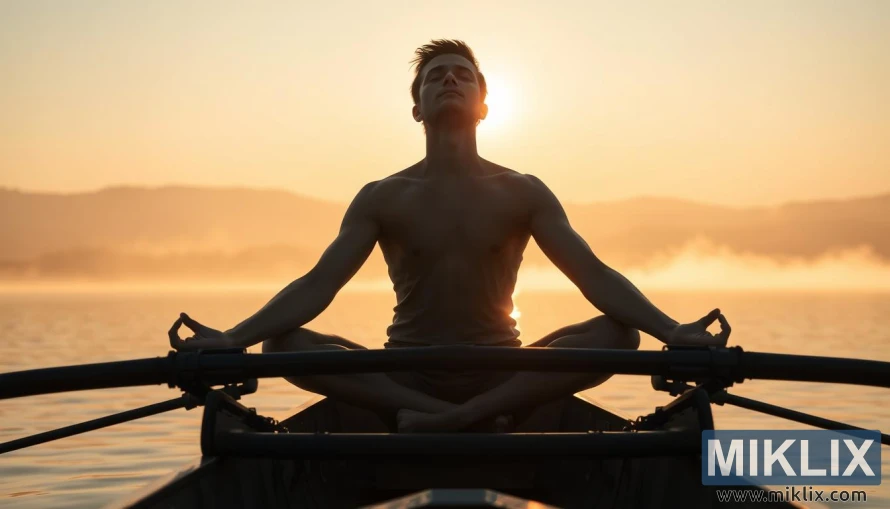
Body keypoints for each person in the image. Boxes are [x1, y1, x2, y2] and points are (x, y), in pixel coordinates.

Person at [168, 39, 730, 432]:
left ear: (484, 104)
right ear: (417, 107)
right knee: (283, 344)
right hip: (407, 369)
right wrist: (234, 339)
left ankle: (456, 417)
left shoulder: (524, 191)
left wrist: (671, 331)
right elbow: (318, 285)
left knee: (619, 336)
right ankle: (440, 412)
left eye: (462, 74)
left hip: (504, 369)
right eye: (435, 76)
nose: (450, 80)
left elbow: (595, 275)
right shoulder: (382, 196)